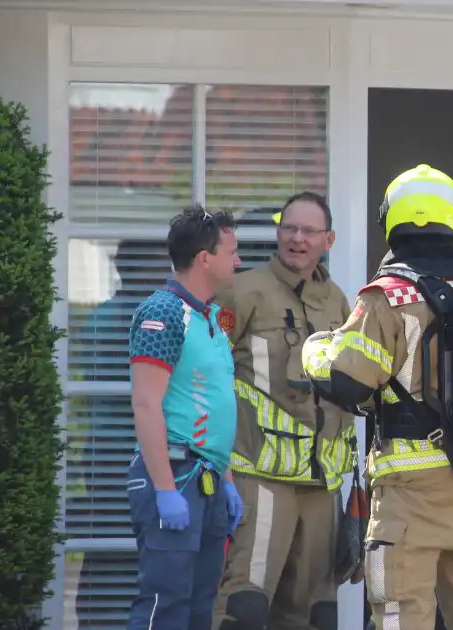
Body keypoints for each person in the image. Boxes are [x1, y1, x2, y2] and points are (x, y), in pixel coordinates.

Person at [302, 164, 453, 629]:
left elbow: (348, 382)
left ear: (391, 221)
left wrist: (314, 350)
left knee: (400, 619)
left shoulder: (385, 297)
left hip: (410, 499)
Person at [211, 192, 357, 630]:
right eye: (288, 228)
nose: (296, 239)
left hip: (322, 486)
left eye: (308, 231)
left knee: (315, 613)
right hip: (261, 479)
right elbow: (206, 374)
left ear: (327, 239)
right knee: (245, 606)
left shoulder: (340, 303)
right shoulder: (241, 291)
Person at [126, 205, 246, 630]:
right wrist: (163, 490)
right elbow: (146, 403)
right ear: (204, 258)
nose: (239, 261)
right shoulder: (163, 314)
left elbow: (211, 409)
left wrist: (227, 482)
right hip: (175, 476)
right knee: (165, 605)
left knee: (198, 610)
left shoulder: (210, 318)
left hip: (207, 479)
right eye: (232, 251)